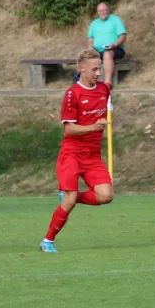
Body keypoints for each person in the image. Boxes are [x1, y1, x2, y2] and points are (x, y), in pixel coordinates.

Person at [39, 49, 113, 253]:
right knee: (69, 200)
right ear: (82, 69)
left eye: (100, 68)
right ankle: (48, 241)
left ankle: (70, 196)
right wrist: (93, 127)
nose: (98, 73)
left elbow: (106, 98)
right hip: (72, 153)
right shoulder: (73, 94)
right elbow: (68, 129)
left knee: (106, 196)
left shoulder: (103, 90)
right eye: (94, 69)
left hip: (92, 156)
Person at [86, 2, 127, 89]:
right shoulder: (94, 23)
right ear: (98, 12)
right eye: (100, 11)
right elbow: (90, 39)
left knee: (107, 53)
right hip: (98, 50)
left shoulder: (116, 20)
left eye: (104, 10)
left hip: (115, 49)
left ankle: (107, 83)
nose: (102, 12)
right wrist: (90, 49)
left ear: (108, 10)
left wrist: (115, 44)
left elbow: (123, 36)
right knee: (86, 56)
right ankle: (88, 82)